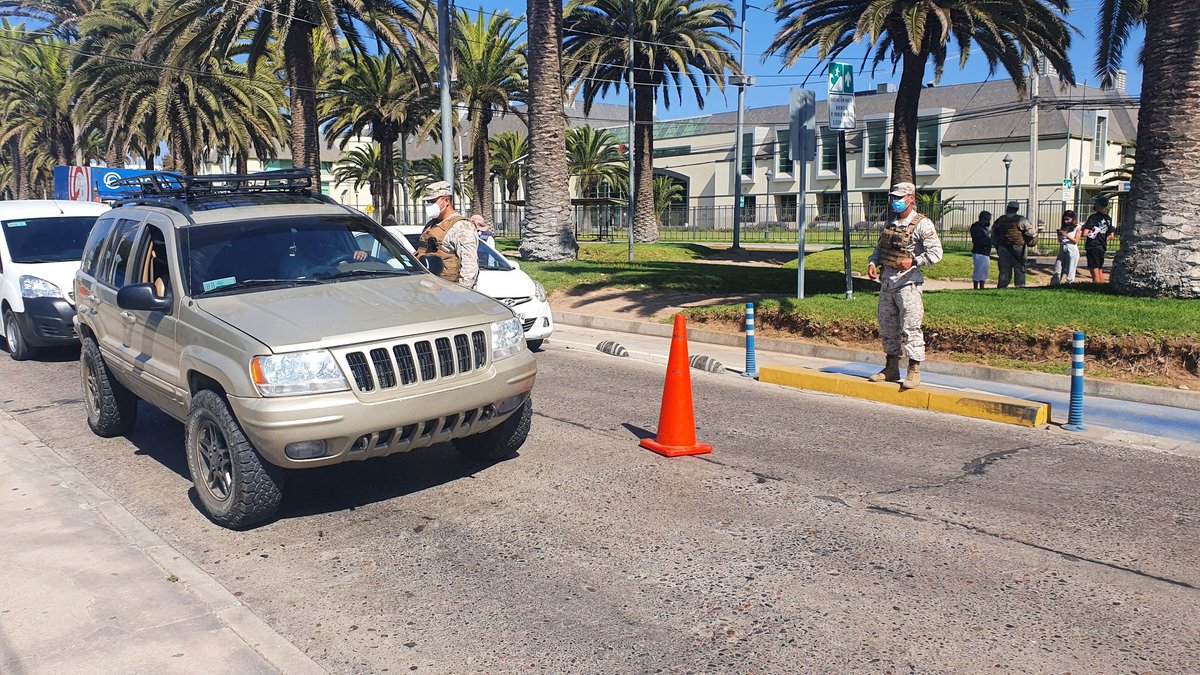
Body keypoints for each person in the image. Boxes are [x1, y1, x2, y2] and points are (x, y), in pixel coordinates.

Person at [867, 182, 944, 390]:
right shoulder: (890, 223)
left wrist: (914, 261)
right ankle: (891, 367)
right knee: (887, 326)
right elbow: (878, 248)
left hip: (908, 284)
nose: (895, 201)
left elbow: (936, 253)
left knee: (911, 326)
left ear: (911, 198)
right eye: (893, 197)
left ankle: (914, 369)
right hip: (887, 282)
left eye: (900, 198)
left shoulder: (922, 224)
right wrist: (873, 262)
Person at [417, 181, 479, 289]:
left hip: (450, 293)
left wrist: (461, 294)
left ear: (446, 201)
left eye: (433, 201)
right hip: (430, 290)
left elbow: (470, 267)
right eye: (427, 202)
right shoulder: (431, 225)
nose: (429, 205)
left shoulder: (462, 227)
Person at [990, 201, 1037, 288]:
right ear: (1017, 209)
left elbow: (993, 234)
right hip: (1019, 248)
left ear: (1007, 208)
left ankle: (1002, 287)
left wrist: (997, 246)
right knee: (1019, 268)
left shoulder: (1000, 220)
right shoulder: (1021, 220)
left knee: (1004, 269)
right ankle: (1020, 286)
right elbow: (1032, 232)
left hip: (1003, 248)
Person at [1081, 196, 1115, 283]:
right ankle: (1101, 286)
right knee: (1100, 269)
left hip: (1093, 246)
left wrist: (1084, 230)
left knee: (1094, 270)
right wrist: (1103, 240)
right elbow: (1111, 235)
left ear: (1099, 205)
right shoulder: (1108, 219)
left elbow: (1085, 234)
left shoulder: (1093, 217)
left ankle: (1096, 287)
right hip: (1102, 247)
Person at [1051, 210, 1081, 286]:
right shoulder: (1064, 227)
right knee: (1058, 267)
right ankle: (1055, 283)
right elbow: (1060, 240)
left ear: (1072, 219)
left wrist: (1066, 235)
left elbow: (1076, 241)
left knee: (1070, 269)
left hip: (1072, 249)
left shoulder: (1077, 227)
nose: (1066, 221)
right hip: (1063, 247)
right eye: (1064, 219)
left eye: (1068, 219)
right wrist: (1060, 236)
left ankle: (1070, 283)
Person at [969, 210, 992, 290]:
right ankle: (975, 287)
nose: (988, 221)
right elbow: (978, 240)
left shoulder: (984, 228)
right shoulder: (976, 227)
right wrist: (989, 240)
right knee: (978, 270)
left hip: (985, 252)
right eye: (987, 219)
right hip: (979, 252)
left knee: (985, 270)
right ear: (982, 218)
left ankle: (982, 286)